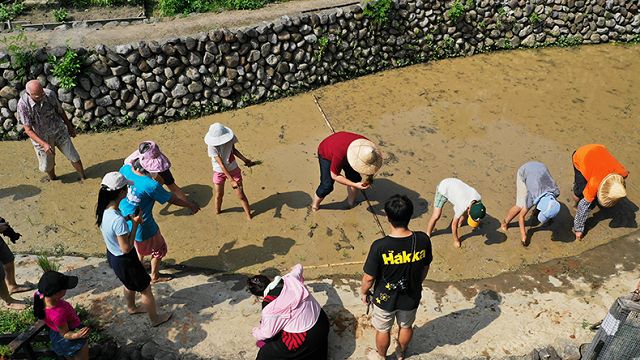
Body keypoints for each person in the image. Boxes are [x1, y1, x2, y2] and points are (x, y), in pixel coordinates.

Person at [361, 195, 433, 360]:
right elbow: (425, 266)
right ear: (410, 215)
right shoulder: (422, 240)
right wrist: (417, 283)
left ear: (388, 217)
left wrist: (364, 292)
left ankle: (381, 356)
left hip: (385, 299)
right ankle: (401, 353)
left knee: (383, 329)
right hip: (411, 295)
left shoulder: (380, 246)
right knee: (406, 326)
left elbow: (369, 278)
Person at [96, 172, 172, 327]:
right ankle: (155, 319)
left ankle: (131, 307)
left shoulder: (103, 210)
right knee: (146, 289)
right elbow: (126, 248)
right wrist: (135, 223)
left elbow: (113, 228)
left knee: (128, 283)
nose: (128, 190)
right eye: (126, 188)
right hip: (125, 260)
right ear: (122, 192)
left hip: (112, 255)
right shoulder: (118, 220)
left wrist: (128, 218)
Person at [119, 160, 200, 282]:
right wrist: (190, 205)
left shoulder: (125, 169)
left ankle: (139, 265)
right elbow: (172, 199)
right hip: (143, 225)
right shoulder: (151, 185)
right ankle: (154, 276)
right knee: (159, 249)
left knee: (137, 245)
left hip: (125, 220)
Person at [247, 264, 330, 360]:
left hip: (308, 336)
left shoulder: (270, 308)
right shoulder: (290, 278)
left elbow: (267, 333)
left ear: (259, 296)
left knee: (265, 353)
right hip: (322, 321)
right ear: (269, 279)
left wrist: (256, 332)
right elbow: (299, 267)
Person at [17, 80, 86, 181]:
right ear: (29, 94)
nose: (41, 97)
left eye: (42, 93)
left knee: (73, 156)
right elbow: (28, 130)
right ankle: (53, 179)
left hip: (59, 130)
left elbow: (60, 111)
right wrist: (44, 144)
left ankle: (83, 177)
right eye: (38, 96)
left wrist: (70, 127)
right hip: (41, 137)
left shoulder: (49, 94)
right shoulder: (23, 105)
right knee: (48, 165)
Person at [311, 131, 383, 211]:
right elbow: (334, 175)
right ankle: (315, 205)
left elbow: (372, 165)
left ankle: (350, 203)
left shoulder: (369, 149)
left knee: (355, 178)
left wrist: (364, 179)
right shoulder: (340, 155)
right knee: (327, 185)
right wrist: (354, 185)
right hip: (327, 152)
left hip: (347, 147)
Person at [572, 144, 629, 241]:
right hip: (580, 156)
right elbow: (583, 206)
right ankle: (575, 201)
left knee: (589, 194)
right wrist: (578, 229)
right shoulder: (595, 184)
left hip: (598, 149)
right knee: (580, 191)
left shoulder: (623, 173)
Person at [500, 161, 561, 246]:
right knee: (520, 206)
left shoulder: (555, 191)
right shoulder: (532, 196)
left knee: (535, 204)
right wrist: (523, 236)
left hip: (540, 168)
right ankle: (505, 222)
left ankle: (536, 212)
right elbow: (521, 216)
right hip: (525, 171)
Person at [34, 271, 89, 360]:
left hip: (56, 331)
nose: (66, 289)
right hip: (68, 333)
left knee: (69, 355)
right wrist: (78, 335)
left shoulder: (39, 294)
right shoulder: (58, 314)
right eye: (65, 288)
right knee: (80, 354)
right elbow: (65, 334)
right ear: (56, 293)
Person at [205, 123, 254, 220]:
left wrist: (245, 160)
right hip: (219, 172)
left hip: (233, 169)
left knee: (241, 195)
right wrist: (231, 180)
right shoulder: (211, 147)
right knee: (219, 194)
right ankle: (217, 211)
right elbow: (221, 164)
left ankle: (249, 215)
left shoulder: (230, 138)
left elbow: (234, 150)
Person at [426, 178, 486, 248]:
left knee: (462, 216)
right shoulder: (462, 205)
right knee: (436, 215)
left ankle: (460, 224)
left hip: (454, 186)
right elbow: (453, 225)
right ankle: (427, 234)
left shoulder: (478, 198)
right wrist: (456, 240)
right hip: (444, 189)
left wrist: (460, 223)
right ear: (469, 210)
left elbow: (467, 211)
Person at [124, 141, 189, 203]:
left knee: (170, 186)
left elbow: (127, 164)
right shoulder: (158, 157)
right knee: (172, 187)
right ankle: (186, 203)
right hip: (156, 170)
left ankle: (185, 202)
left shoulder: (135, 157)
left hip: (146, 171)